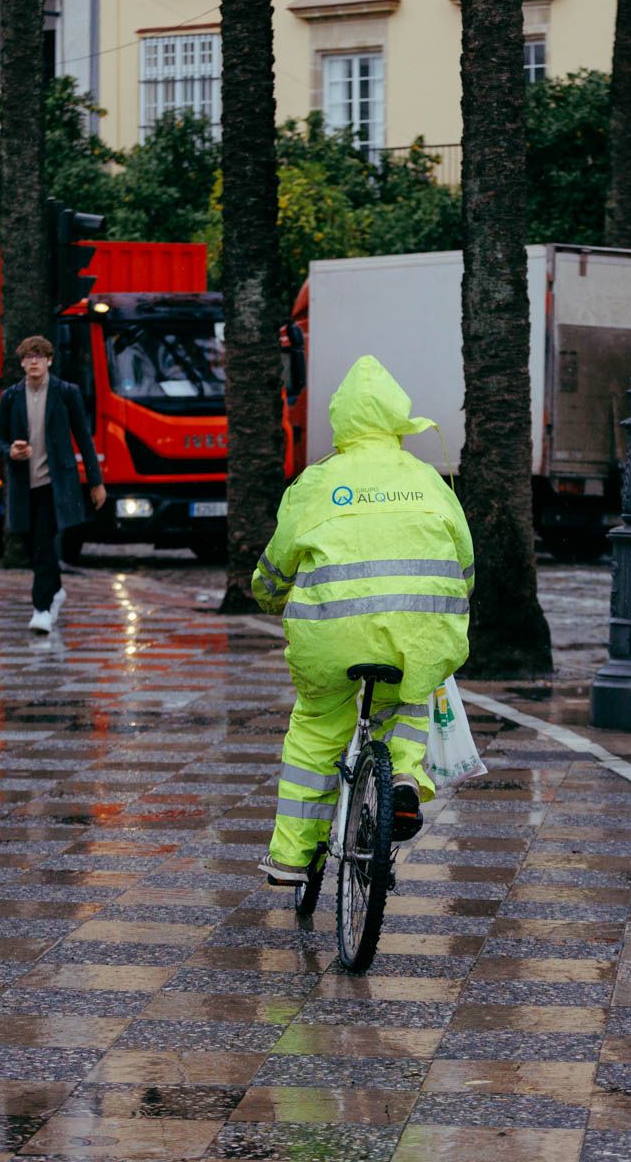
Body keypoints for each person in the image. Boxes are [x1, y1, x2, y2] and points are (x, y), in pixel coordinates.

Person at [252, 355, 474, 885]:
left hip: (330, 637)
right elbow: (464, 563)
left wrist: (266, 594)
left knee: (318, 723)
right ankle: (400, 778)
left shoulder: (316, 481)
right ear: (398, 417)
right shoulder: (426, 479)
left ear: (341, 420)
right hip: (418, 631)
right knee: (414, 692)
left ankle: (291, 858)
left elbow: (276, 565)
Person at [0, 336, 105, 633]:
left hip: (55, 485)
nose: (34, 362)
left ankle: (41, 609)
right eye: (28, 357)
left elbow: (83, 437)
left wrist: (96, 482)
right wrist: (10, 451)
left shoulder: (66, 393)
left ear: (50, 360)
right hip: (23, 484)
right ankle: (55, 590)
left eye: (39, 356)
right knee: (31, 546)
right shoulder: (12, 397)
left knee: (43, 542)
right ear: (22, 363)